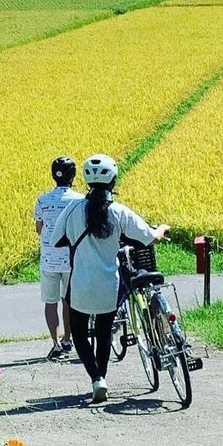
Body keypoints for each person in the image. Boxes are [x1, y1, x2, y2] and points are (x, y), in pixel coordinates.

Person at [51, 154, 169, 403]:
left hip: (80, 284)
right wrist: (161, 229)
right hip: (109, 284)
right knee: (104, 332)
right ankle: (102, 376)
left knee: (81, 334)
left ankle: (97, 379)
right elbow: (148, 238)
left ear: (86, 181)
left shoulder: (73, 209)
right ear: (113, 181)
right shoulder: (118, 211)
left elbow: (55, 239)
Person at [33, 157, 84, 360]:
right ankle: (67, 340)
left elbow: (39, 228)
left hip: (49, 259)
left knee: (50, 302)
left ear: (53, 175)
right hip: (72, 259)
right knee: (68, 301)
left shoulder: (42, 200)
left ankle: (55, 344)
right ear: (73, 175)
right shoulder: (80, 200)